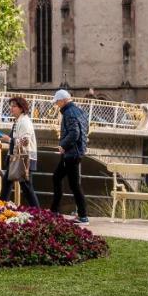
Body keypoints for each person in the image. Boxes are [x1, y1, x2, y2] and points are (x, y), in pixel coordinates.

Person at [49, 89, 89, 223]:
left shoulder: (69, 113)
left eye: (57, 102)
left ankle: (82, 216)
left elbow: (74, 133)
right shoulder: (79, 111)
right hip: (75, 152)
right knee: (61, 179)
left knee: (71, 184)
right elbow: (84, 130)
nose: (56, 105)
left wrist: (63, 145)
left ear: (63, 100)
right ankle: (56, 211)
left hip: (71, 153)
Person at [0, 96, 39, 208]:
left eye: (14, 106)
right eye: (10, 106)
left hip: (25, 158)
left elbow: (25, 141)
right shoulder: (18, 121)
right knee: (8, 183)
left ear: (21, 108)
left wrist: (9, 140)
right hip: (19, 157)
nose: (11, 109)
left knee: (26, 187)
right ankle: (1, 207)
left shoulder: (25, 122)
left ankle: (38, 212)